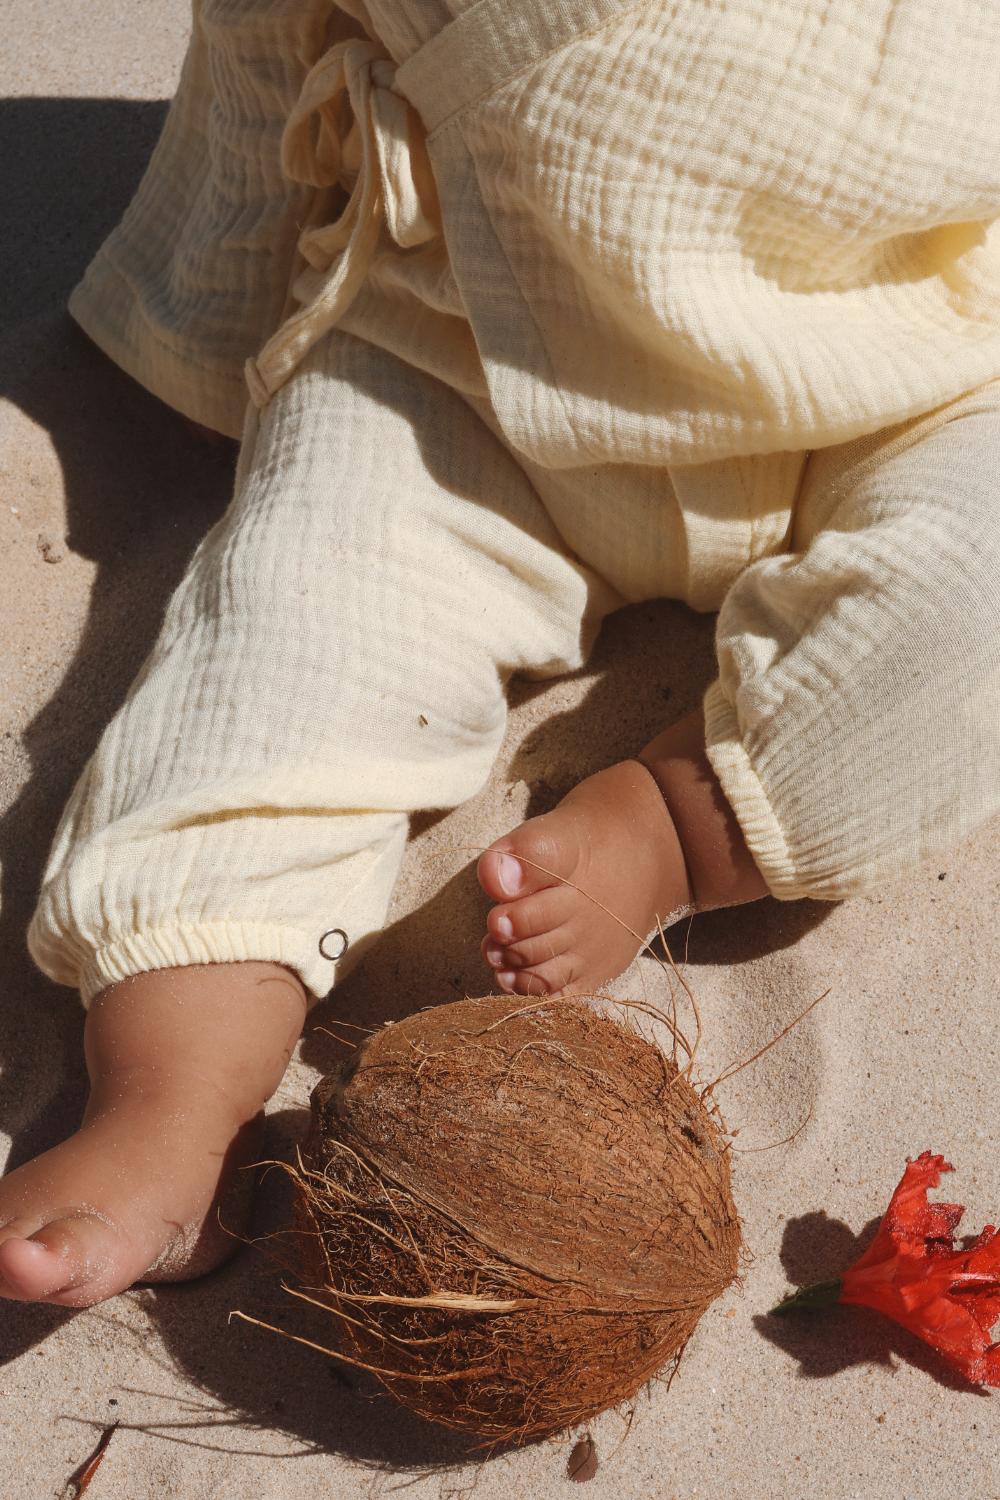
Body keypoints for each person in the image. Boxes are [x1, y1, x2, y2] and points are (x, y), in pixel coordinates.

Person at [2, 0, 999, 1308]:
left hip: (908, 352)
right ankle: (169, 1097)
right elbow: (263, 39)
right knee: (286, 639)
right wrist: (206, 325)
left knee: (970, 586)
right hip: (469, 340)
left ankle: (684, 825)